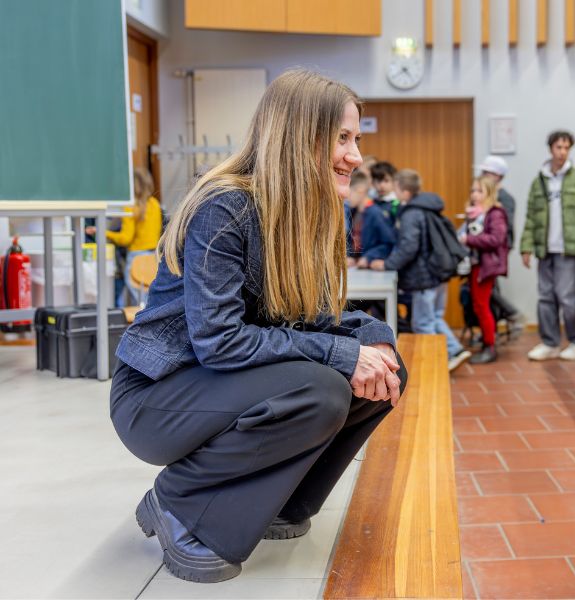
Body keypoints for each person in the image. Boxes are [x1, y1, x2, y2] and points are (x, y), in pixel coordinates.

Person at [109, 69, 406, 584]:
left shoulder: (311, 212)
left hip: (220, 383)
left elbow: (316, 317)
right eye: (342, 138)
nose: (356, 156)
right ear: (298, 135)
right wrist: (342, 354)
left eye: (356, 139)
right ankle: (178, 502)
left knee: (383, 370)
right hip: (157, 398)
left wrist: (374, 340)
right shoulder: (224, 206)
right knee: (321, 390)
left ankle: (282, 502)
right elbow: (220, 342)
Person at [370, 170, 471, 372]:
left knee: (423, 323)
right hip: (437, 274)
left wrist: (387, 264)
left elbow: (408, 247)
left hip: (424, 277)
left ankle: (435, 365)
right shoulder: (428, 208)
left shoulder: (411, 213)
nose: (395, 193)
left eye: (397, 188)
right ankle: (455, 350)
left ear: (405, 192)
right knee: (434, 317)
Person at [520, 130, 575, 362]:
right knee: (545, 297)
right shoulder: (539, 181)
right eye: (559, 147)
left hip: (569, 249)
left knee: (569, 298)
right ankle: (550, 343)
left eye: (566, 147)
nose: (562, 152)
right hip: (544, 250)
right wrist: (526, 247)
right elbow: (531, 217)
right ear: (551, 149)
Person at [86, 167, 163, 307]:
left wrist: (103, 232)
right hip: (153, 257)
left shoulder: (131, 208)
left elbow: (126, 239)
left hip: (136, 258)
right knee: (147, 298)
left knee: (138, 301)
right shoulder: (155, 204)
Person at [460, 175, 509, 365]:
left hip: (486, 266)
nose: (474, 194)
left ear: (489, 193)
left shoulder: (495, 213)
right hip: (475, 264)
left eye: (479, 191)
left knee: (482, 306)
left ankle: (490, 347)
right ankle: (486, 341)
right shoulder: (475, 213)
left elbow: (496, 239)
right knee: (478, 306)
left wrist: (469, 240)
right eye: (473, 190)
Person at [476, 154, 526, 336]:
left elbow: (504, 230)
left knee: (487, 290)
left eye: (486, 172)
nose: (482, 175)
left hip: (496, 249)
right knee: (486, 291)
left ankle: (511, 314)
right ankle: (492, 330)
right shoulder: (488, 194)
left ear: (497, 175)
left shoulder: (505, 199)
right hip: (485, 248)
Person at [358, 161, 398, 269]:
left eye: (386, 181)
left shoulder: (396, 205)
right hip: (366, 259)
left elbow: (392, 241)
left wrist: (370, 257)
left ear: (394, 182)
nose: (381, 185)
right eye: (377, 181)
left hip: (386, 261)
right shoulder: (369, 204)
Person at [345, 171, 371, 265]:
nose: (346, 198)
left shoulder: (375, 214)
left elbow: (386, 243)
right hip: (355, 266)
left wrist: (369, 258)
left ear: (360, 191)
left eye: (349, 193)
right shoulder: (352, 212)